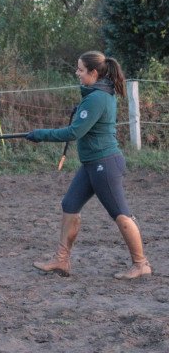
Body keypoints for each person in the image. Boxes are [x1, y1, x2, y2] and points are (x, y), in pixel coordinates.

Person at [25, 51, 152, 280]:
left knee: (121, 214)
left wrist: (40, 134)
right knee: (70, 204)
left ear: (93, 73)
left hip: (104, 164)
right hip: (92, 163)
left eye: (81, 70)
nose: (77, 73)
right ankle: (62, 260)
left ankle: (141, 263)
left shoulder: (97, 98)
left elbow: (74, 132)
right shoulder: (96, 94)